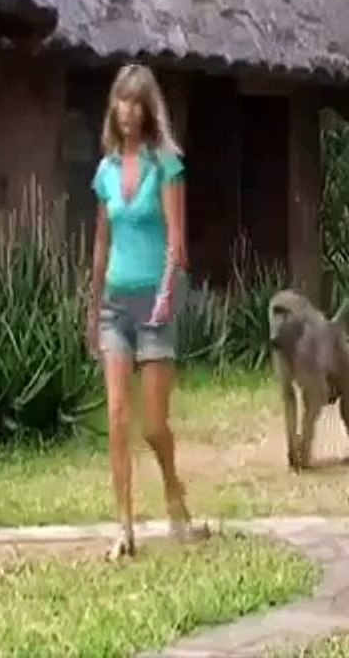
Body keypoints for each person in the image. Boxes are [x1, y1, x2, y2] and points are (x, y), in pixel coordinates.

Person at [86, 63, 205, 560]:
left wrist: (166, 292)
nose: (128, 112)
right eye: (121, 102)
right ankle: (125, 528)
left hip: (155, 303)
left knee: (154, 425)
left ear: (148, 109)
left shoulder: (167, 165)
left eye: (136, 103)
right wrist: (92, 310)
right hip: (116, 303)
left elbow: (177, 243)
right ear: (113, 108)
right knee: (116, 416)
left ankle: (175, 495)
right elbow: (100, 244)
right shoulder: (106, 171)